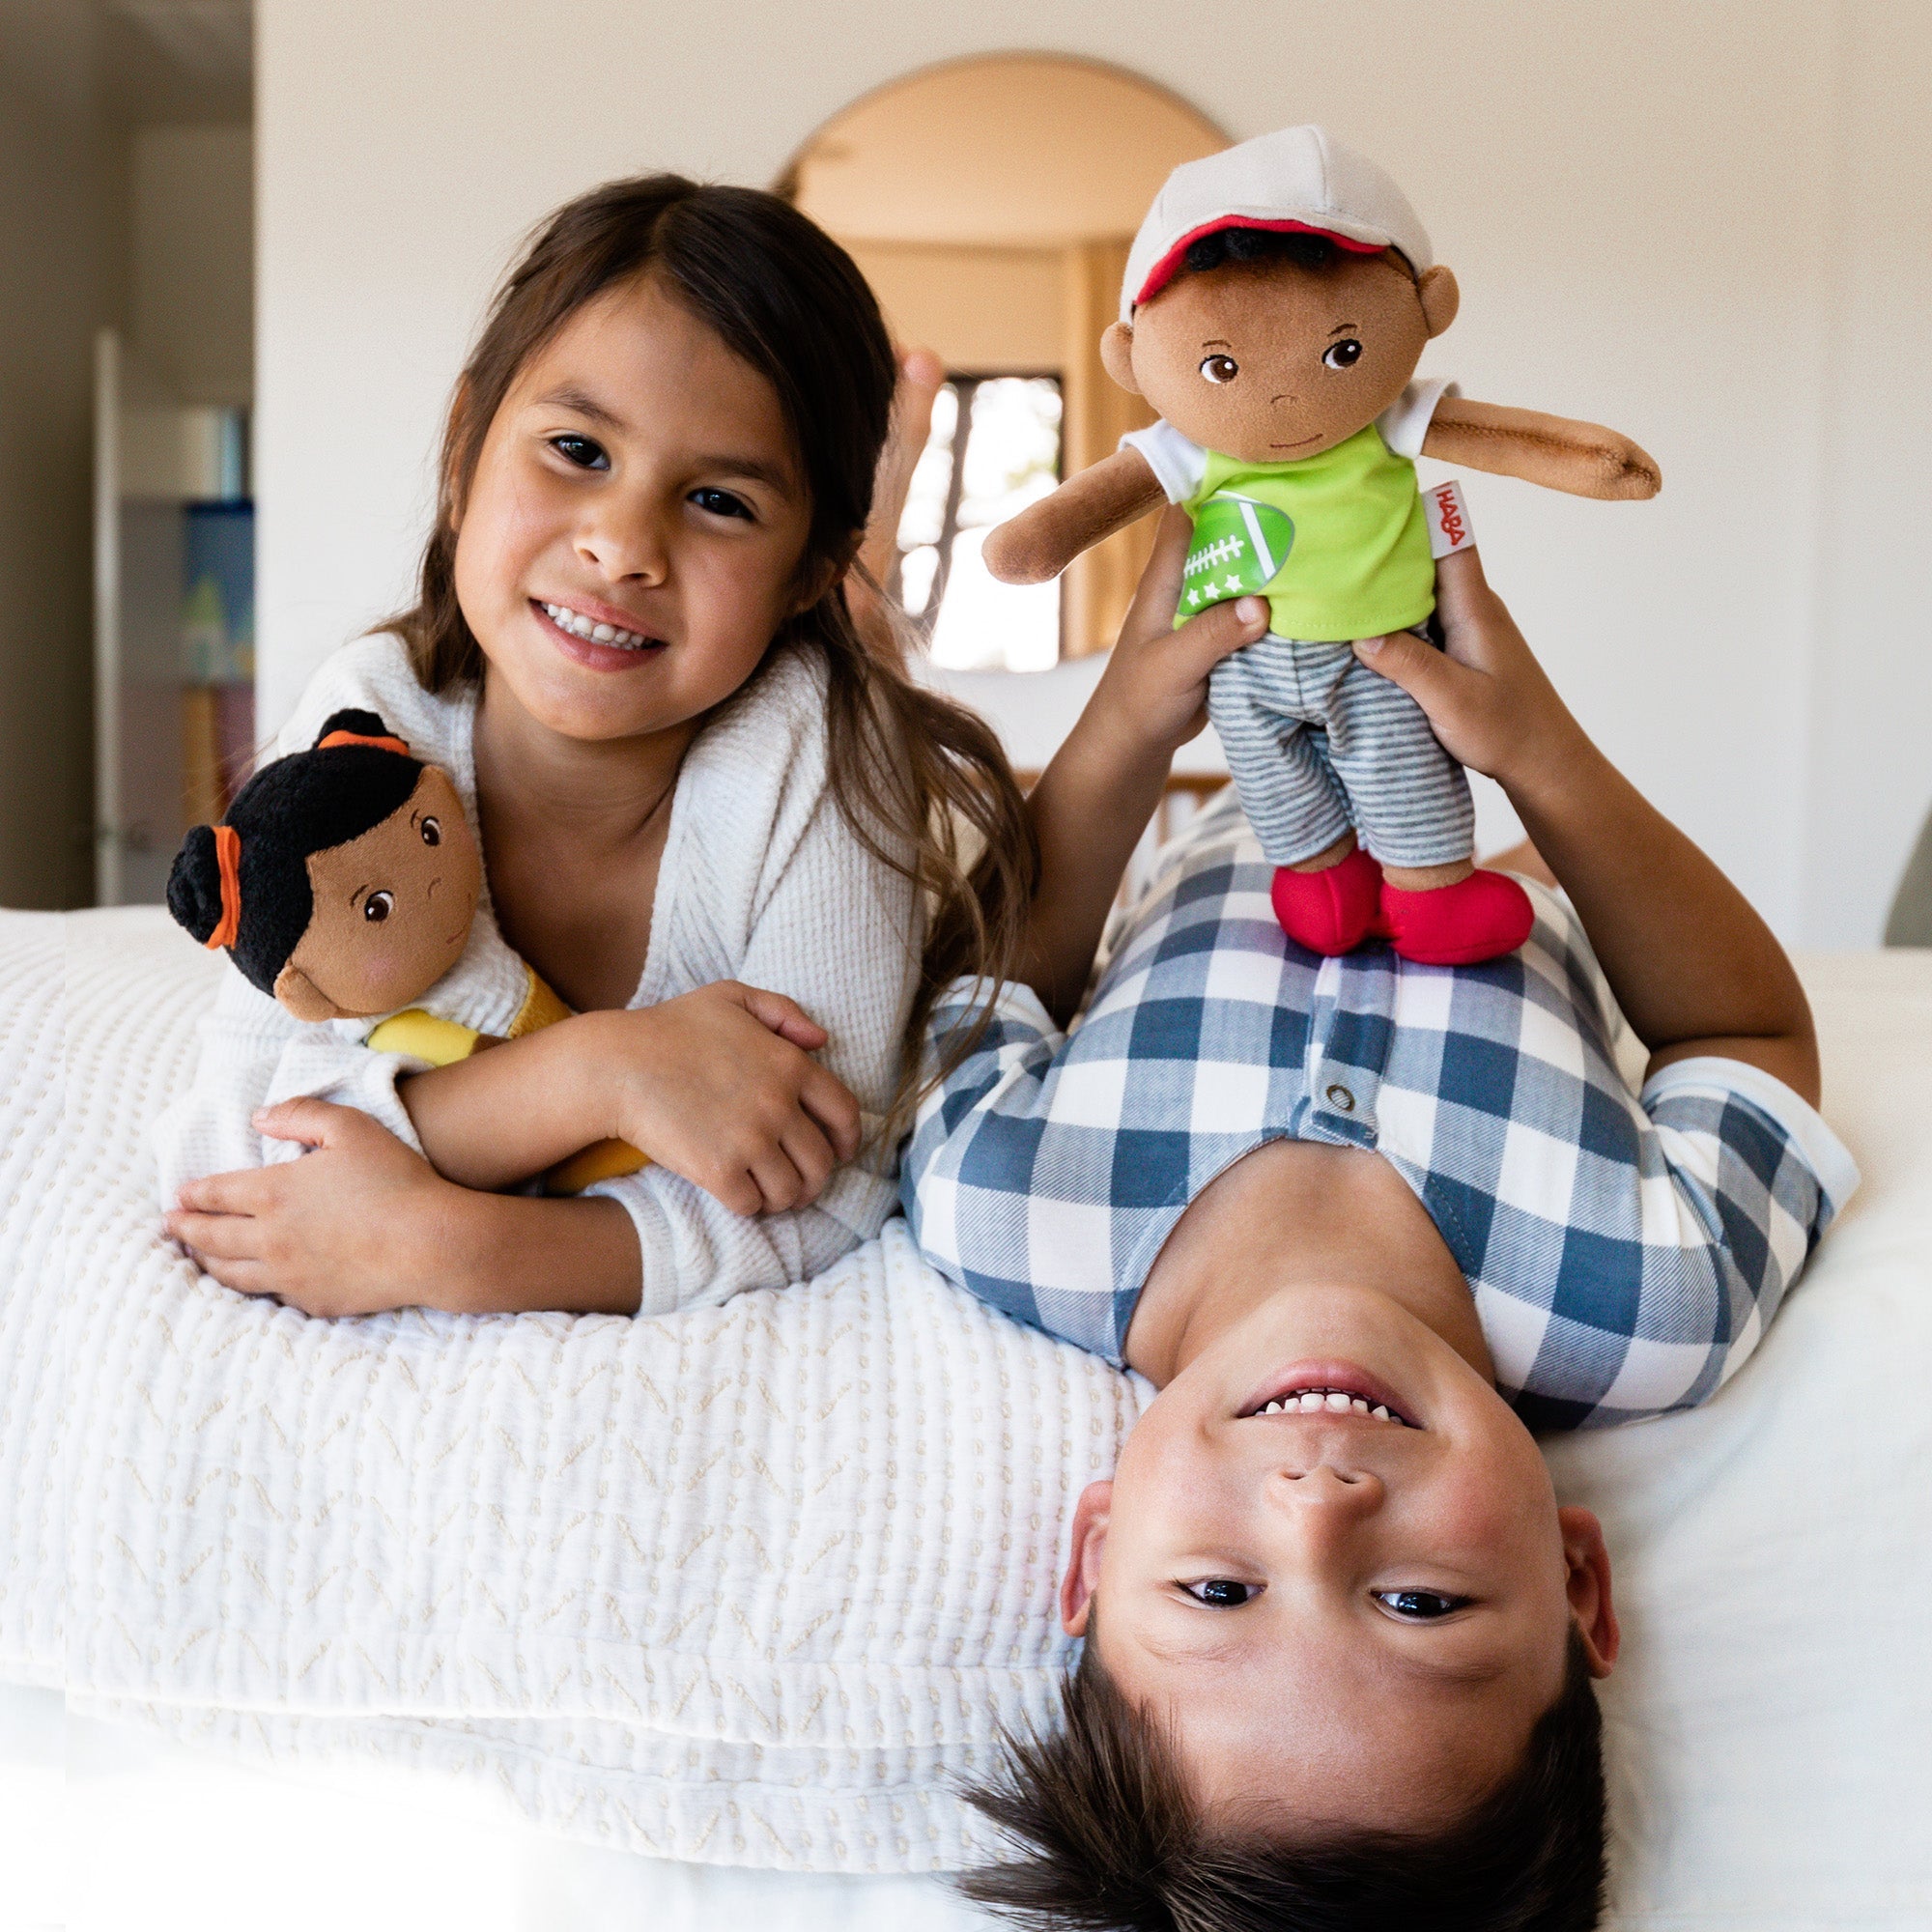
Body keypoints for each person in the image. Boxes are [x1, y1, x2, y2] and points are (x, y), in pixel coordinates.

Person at [901, 516, 1859, 1926]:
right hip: (1492, 868)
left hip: (1239, 794)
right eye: (1420, 1604)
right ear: (1577, 1581)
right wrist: (1541, 754)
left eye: (1217, 1592)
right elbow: (1746, 1033)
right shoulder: (1650, 1299)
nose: (1319, 1506)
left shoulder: (1002, 1211)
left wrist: (1124, 723)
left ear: (1096, 1555)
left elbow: (998, 985)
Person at [158, 173, 1030, 1321]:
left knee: (863, 701)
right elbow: (235, 1155)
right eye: (577, 447)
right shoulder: (370, 721)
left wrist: (459, 1247)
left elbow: (826, 1182)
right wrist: (602, 1071)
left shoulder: (816, 757)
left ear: (808, 570)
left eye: (720, 501)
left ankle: (862, 605)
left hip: (824, 701)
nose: (622, 547)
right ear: (465, 448)